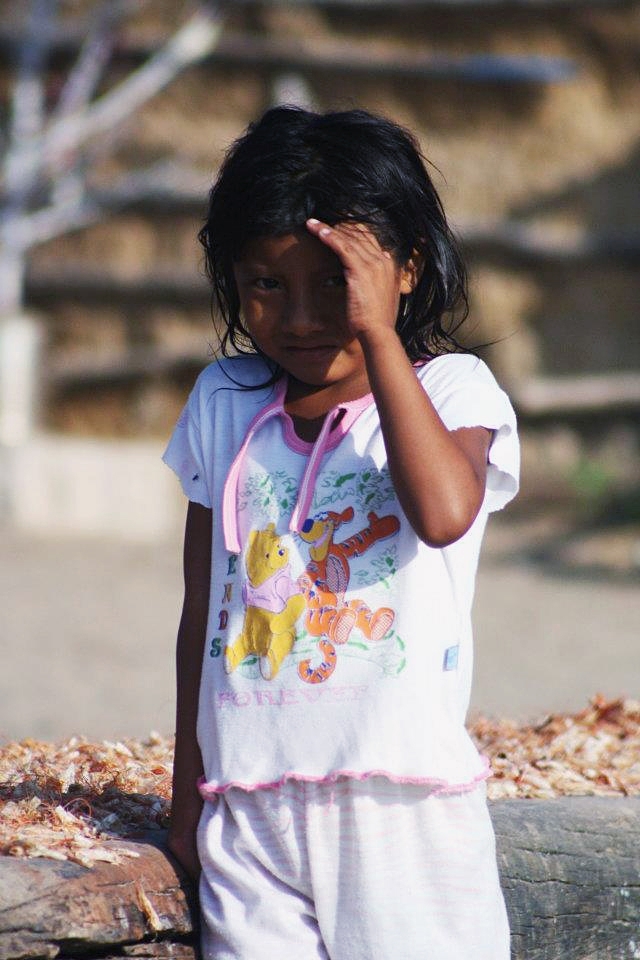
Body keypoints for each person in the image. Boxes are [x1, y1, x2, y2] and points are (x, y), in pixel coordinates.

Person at [163, 105, 519, 960]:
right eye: (266, 285)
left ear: (406, 269)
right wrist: (188, 791)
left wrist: (379, 338)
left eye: (336, 282)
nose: (300, 315)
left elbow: (441, 514)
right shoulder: (223, 401)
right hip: (248, 805)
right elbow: (204, 610)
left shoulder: (455, 391)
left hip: (401, 812)